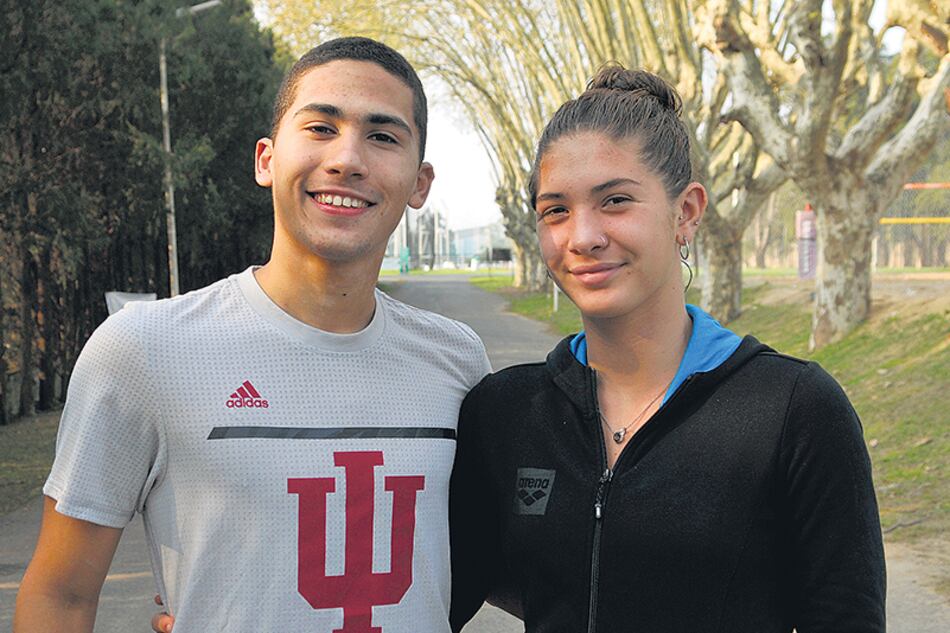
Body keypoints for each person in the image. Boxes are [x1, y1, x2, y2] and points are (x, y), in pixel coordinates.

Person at [14, 37, 491, 633]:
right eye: (320, 127)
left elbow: (490, 562)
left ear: (419, 183)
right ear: (266, 159)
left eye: (383, 136)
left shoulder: (457, 360)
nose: (347, 159)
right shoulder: (142, 350)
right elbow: (60, 594)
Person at [448, 66, 886, 633]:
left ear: (686, 213)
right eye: (555, 210)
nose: (582, 236)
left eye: (615, 201)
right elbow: (440, 595)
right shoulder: (503, 412)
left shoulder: (794, 409)